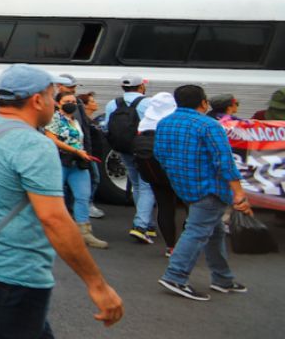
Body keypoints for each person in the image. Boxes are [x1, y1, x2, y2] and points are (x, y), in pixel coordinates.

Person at [0, 64, 123, 339]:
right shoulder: (34, 145)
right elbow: (54, 219)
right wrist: (97, 284)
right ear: (37, 100)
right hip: (16, 272)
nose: (57, 102)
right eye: (53, 95)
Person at [155, 84, 252, 301]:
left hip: (184, 187)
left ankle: (223, 279)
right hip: (210, 188)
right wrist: (238, 193)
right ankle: (176, 275)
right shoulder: (209, 126)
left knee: (214, 232)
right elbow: (225, 161)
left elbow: (159, 154)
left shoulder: (164, 123)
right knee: (197, 231)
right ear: (203, 102)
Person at [44, 91, 107, 248]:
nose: (71, 103)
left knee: (82, 197)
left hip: (77, 163)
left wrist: (82, 153)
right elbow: (51, 138)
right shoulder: (55, 118)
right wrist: (75, 151)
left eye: (73, 100)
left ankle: (84, 233)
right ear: (58, 103)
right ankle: (52, 233)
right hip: (60, 161)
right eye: (67, 100)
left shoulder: (74, 120)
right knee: (54, 198)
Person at [104, 74, 156, 244]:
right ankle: (141, 225)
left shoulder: (113, 103)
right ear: (141, 87)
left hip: (123, 149)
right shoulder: (148, 103)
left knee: (136, 185)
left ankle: (147, 223)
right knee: (147, 185)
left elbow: (106, 127)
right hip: (144, 149)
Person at [133, 93, 181, 255]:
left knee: (165, 206)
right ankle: (188, 243)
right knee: (190, 205)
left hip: (152, 171)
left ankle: (170, 247)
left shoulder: (145, 121)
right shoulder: (172, 121)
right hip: (174, 169)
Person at [77, 91, 107, 219]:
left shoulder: (90, 120)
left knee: (94, 179)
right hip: (89, 155)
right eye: (92, 101)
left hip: (94, 155)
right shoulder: (85, 122)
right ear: (85, 105)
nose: (95, 103)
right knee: (94, 179)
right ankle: (88, 205)